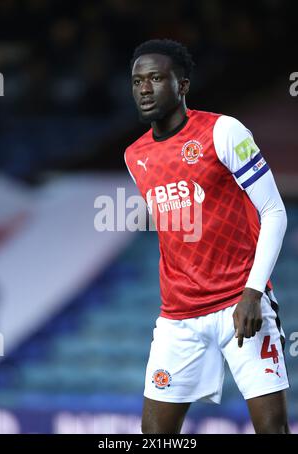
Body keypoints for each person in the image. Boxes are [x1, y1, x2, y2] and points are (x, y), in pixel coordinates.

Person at [124, 39, 290, 434]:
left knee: (273, 430)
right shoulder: (134, 156)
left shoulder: (223, 131)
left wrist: (253, 293)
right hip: (178, 318)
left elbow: (274, 211)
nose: (144, 89)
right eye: (137, 81)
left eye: (156, 78)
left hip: (241, 302)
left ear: (181, 85)